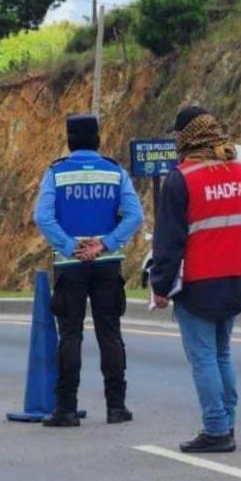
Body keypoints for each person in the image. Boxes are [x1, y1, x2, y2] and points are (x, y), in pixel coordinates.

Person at [150, 106, 241, 453]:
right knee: (222, 354)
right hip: (234, 280)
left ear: (187, 137)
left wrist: (160, 285)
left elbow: (169, 240)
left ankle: (216, 429)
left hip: (198, 284)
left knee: (203, 358)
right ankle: (226, 423)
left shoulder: (182, 178)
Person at [32, 113, 143, 427]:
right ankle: (117, 407)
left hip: (71, 265)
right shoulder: (115, 171)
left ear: (69, 143)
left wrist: (69, 246)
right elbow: (135, 215)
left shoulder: (56, 173)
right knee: (110, 332)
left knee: (70, 334)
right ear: (98, 140)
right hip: (107, 264)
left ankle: (66, 409)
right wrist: (106, 243)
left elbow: (43, 217)